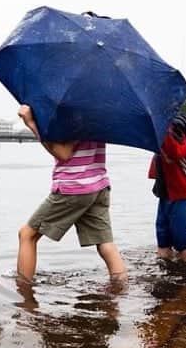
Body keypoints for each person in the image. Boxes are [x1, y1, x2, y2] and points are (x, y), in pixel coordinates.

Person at [16, 104, 127, 283]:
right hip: (98, 185)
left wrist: (31, 124)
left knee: (27, 235)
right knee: (105, 243)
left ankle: (24, 294)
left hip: (74, 187)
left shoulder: (75, 114)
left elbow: (63, 153)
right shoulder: (97, 113)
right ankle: (120, 292)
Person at [149, 114, 186, 263]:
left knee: (184, 244)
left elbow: (177, 152)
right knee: (163, 241)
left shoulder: (174, 126)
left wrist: (162, 130)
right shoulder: (159, 126)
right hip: (167, 191)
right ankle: (166, 278)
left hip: (185, 190)